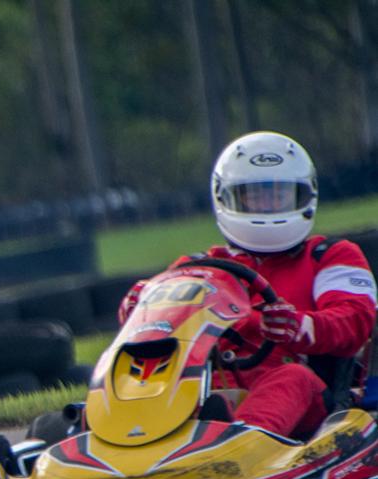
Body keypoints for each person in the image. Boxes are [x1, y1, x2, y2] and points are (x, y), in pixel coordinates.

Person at [118, 131, 377, 439]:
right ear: (226, 198)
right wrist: (139, 308)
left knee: (293, 377)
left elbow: (355, 320)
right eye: (255, 196)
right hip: (210, 392)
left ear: (304, 197)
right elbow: (157, 331)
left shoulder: (329, 256)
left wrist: (300, 326)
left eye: (278, 195)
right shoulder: (198, 267)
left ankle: (241, 443)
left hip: (307, 404)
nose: (266, 206)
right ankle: (108, 441)